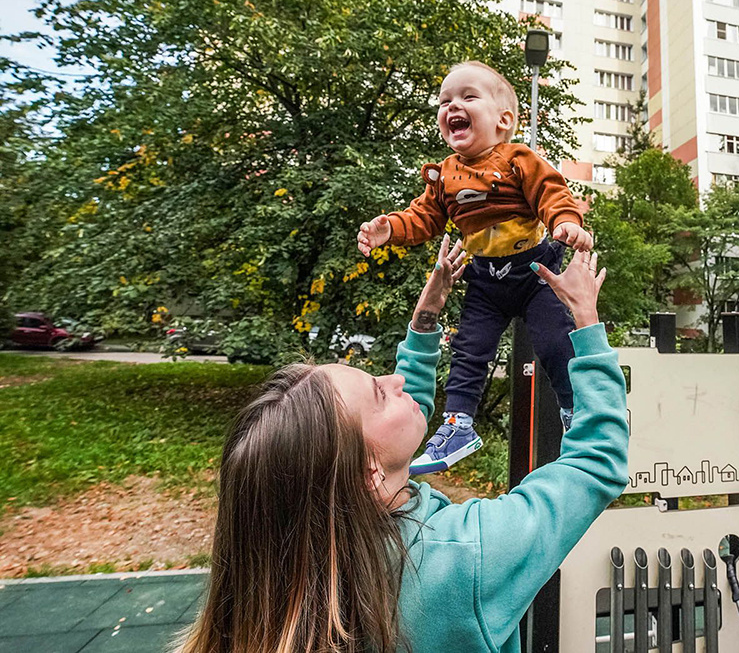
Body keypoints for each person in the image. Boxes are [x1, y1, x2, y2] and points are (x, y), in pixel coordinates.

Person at [176, 237, 628, 653]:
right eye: (378, 392)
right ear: (369, 474)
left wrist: (426, 318)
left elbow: (394, 421)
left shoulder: (291, 567)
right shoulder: (465, 556)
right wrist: (585, 320)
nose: (395, 380)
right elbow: (596, 462)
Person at [356, 61, 595, 475]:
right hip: (484, 279)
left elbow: (550, 193)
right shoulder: (444, 175)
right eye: (444, 101)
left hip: (535, 273)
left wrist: (565, 222)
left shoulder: (518, 159)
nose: (452, 106)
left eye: (468, 97)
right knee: (468, 350)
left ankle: (575, 412)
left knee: (555, 343)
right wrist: (389, 229)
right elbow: (423, 218)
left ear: (504, 121)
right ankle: (459, 424)